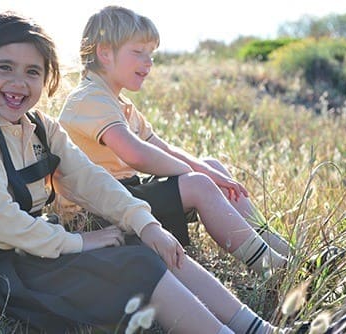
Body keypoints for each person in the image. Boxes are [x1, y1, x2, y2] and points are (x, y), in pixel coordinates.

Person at [0, 10, 331, 334]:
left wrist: (146, 223)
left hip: (39, 250)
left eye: (33, 72)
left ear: (46, 77)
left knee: (146, 246)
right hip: (0, 271)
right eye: (5, 68)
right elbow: (2, 224)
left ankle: (260, 329)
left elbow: (92, 180)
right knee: (140, 265)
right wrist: (82, 244)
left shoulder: (40, 126)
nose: (18, 83)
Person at [59, 5, 293, 275]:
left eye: (151, 54)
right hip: (95, 212)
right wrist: (196, 175)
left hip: (123, 195)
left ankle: (285, 251)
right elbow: (135, 154)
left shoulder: (119, 103)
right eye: (138, 52)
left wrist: (205, 170)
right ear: (104, 53)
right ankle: (273, 268)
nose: (148, 62)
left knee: (211, 166)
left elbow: (162, 147)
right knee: (200, 183)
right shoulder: (89, 98)